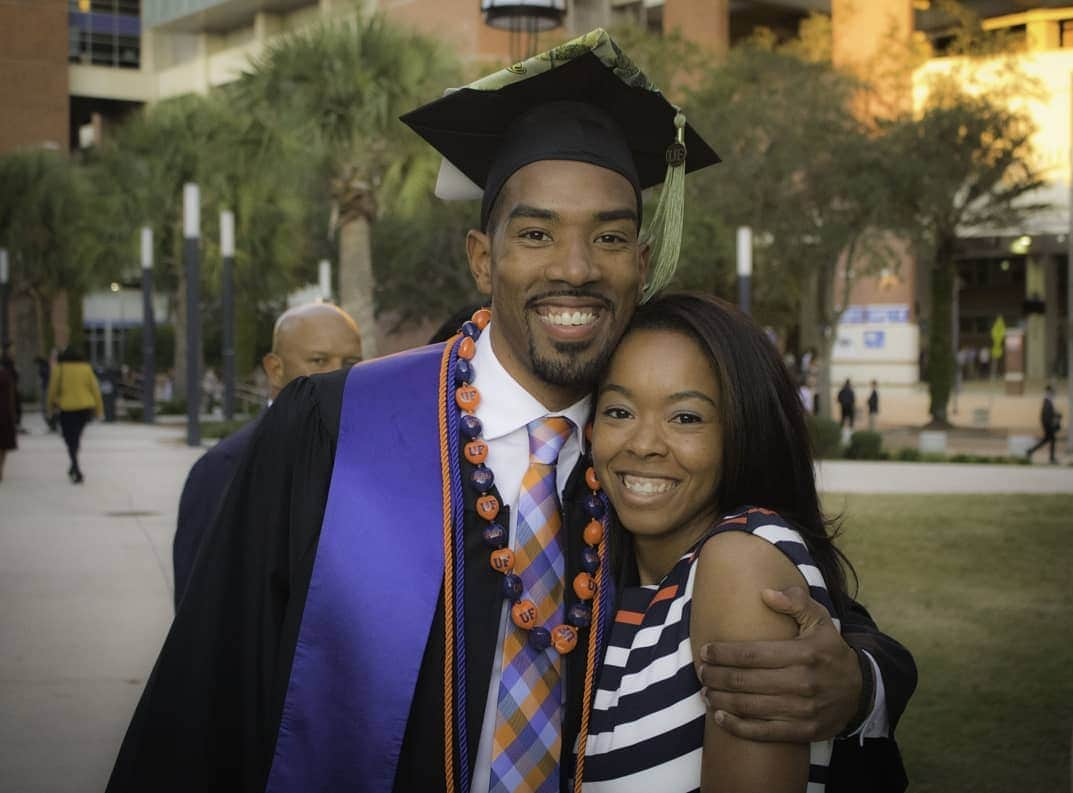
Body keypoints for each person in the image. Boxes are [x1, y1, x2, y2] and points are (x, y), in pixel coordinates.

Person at [106, 30, 912, 793]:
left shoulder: (653, 458)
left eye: (608, 237)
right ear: (483, 256)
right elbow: (208, 688)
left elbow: (819, 612)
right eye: (535, 233)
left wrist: (862, 680)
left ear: (640, 262)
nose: (574, 268)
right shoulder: (339, 428)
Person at [585, 293, 910, 792]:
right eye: (619, 411)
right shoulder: (597, 557)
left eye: (686, 417)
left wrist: (864, 683)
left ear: (742, 429)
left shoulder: (740, 566)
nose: (644, 443)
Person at [173, 302, 363, 608]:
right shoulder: (222, 469)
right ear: (275, 369)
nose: (338, 374)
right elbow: (197, 610)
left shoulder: (372, 461)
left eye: (351, 361)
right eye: (319, 360)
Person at [46, 346, 103, 484]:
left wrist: (49, 408)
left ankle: (76, 469)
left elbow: (52, 390)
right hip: (85, 408)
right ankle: (74, 466)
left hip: (67, 408)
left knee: (70, 438)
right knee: (75, 437)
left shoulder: (59, 369)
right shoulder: (86, 368)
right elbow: (95, 389)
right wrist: (99, 410)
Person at [1026, 385, 1061, 464]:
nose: (1053, 393)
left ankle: (1030, 451)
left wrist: (1056, 415)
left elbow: (1049, 413)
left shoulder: (1048, 401)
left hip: (1047, 424)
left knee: (1047, 440)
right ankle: (1051, 458)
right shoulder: (1047, 401)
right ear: (1049, 391)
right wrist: (1052, 421)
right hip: (1048, 425)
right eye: (1051, 391)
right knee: (1051, 439)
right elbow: (1046, 415)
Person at [0, 362, 16, 481]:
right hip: (4, 413)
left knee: (3, 444)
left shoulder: (5, 374)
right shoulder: (5, 374)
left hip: (4, 413)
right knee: (3, 444)